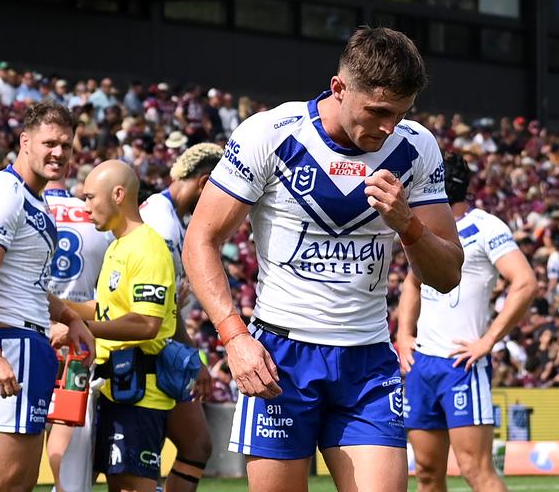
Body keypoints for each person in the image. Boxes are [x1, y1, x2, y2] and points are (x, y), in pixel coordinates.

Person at [183, 27, 464, 492]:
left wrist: (408, 224)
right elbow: (201, 240)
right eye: (378, 111)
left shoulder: (417, 147)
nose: (388, 126)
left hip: (368, 362)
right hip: (280, 357)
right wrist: (234, 338)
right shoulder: (271, 133)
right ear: (339, 88)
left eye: (400, 113)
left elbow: (448, 275)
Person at [0, 102, 96, 492]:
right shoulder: (5, 191)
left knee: (21, 483)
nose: (58, 153)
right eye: (49, 143)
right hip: (11, 345)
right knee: (3, 484)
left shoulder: (37, 201)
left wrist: (70, 317)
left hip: (29, 344)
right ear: (25, 142)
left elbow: (28, 282)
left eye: (66, 146)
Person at [397, 153, 538, 492]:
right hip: (422, 364)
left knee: (475, 470)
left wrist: (487, 341)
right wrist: (403, 334)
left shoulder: (486, 226)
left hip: (461, 363)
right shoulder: (425, 228)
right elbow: (411, 284)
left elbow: (525, 283)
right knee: (427, 473)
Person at [68, 160, 178, 492]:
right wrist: (56, 308)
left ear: (118, 194)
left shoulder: (147, 247)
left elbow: (145, 323)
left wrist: (83, 328)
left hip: (140, 396)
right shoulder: (117, 246)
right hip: (116, 389)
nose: (86, 207)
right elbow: (104, 310)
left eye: (90, 198)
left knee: (133, 487)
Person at [138, 143, 224, 492]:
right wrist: (196, 362)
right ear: (205, 183)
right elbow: (157, 305)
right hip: (149, 351)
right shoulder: (161, 221)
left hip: (162, 348)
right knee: (146, 458)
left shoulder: (169, 217)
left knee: (196, 445)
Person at [43, 167, 113, 492]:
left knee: (22, 432)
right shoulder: (90, 216)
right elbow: (110, 290)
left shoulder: (23, 206)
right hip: (79, 337)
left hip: (30, 329)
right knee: (69, 423)